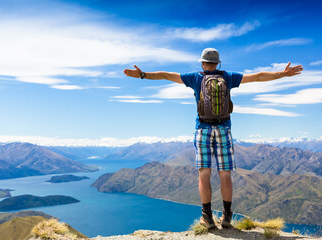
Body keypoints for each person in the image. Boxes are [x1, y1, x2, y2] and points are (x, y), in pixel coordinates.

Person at [123, 48, 303, 229]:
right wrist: (282, 74)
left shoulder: (195, 78)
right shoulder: (228, 77)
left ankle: (207, 217)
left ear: (202, 63)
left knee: (204, 174)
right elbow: (257, 76)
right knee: (225, 175)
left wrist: (143, 75)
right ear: (218, 63)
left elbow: (167, 75)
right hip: (224, 129)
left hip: (203, 129)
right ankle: (226, 216)